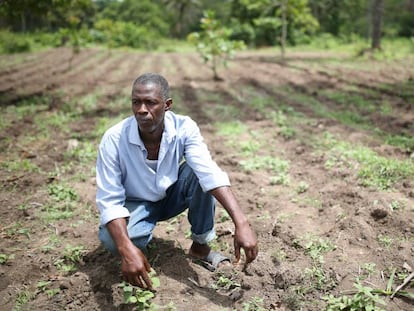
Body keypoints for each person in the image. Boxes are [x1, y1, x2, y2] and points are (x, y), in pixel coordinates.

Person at [96, 73, 258, 289]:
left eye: (151, 103)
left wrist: (242, 223)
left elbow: (209, 173)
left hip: (170, 195)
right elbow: (109, 200)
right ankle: (136, 248)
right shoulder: (114, 139)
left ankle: (200, 248)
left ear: (167, 105)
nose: (142, 109)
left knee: (197, 173)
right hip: (134, 203)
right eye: (136, 102)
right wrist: (126, 249)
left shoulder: (184, 127)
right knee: (114, 242)